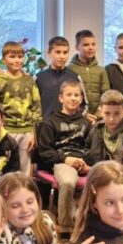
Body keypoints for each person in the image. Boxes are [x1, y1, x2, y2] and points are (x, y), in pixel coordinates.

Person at [36, 80, 92, 235]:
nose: (73, 98)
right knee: (67, 182)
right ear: (61, 98)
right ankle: (66, 227)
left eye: (76, 95)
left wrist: (86, 163)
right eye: (69, 95)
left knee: (106, 177)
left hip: (83, 162)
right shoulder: (51, 122)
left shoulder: (86, 123)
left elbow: (91, 147)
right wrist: (66, 159)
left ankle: (94, 223)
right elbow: (44, 151)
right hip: (62, 161)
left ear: (81, 99)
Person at [0, 40, 42, 175]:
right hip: (6, 131)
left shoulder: (29, 81)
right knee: (5, 170)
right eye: (12, 57)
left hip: (27, 132)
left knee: (24, 172)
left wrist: (33, 133)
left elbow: (36, 107)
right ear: (4, 60)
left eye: (20, 56)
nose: (17, 60)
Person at [85, 89, 123, 165]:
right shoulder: (96, 129)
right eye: (107, 113)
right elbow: (86, 149)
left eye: (117, 113)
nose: (111, 119)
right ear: (101, 112)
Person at [68, 29, 109, 119]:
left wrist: (98, 114)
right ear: (77, 47)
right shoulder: (70, 69)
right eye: (86, 45)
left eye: (93, 44)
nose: (90, 48)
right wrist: (82, 114)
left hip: (99, 117)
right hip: (77, 117)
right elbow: (68, 95)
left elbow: (106, 94)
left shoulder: (101, 70)